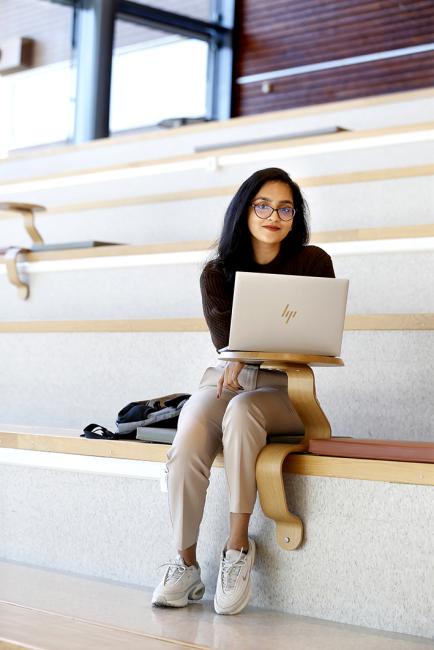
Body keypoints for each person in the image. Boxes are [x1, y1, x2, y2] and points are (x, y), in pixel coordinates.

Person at [152, 167, 335, 615]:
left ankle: (237, 549)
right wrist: (241, 352)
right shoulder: (217, 271)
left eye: (285, 208)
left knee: (243, 414)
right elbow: (223, 341)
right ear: (244, 210)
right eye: (263, 205)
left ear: (295, 217)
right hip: (224, 380)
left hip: (284, 390)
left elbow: (317, 338)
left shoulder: (313, 263)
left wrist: (246, 350)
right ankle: (185, 563)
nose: (274, 215)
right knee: (192, 426)